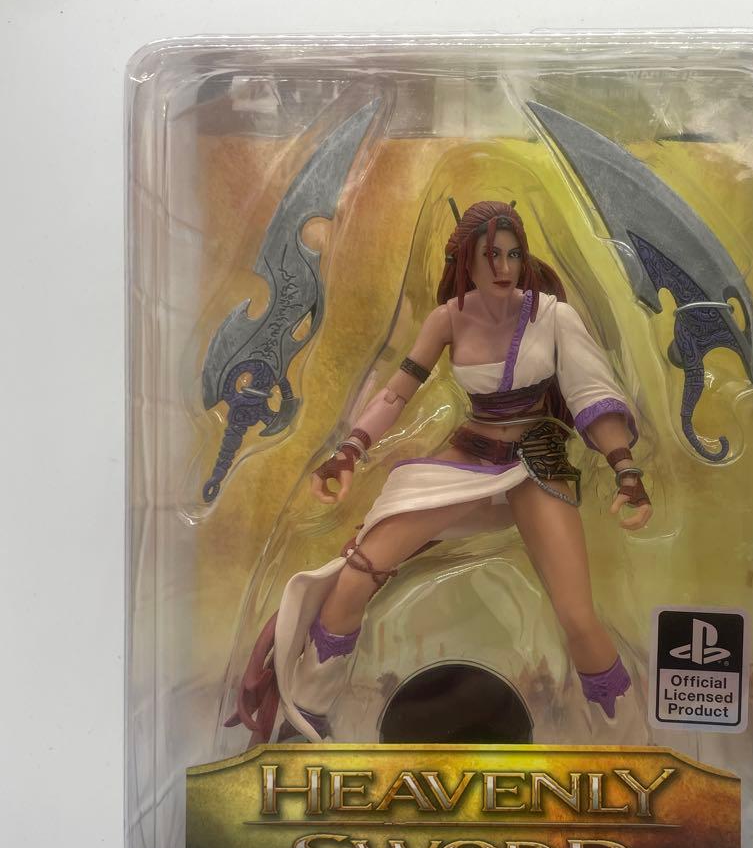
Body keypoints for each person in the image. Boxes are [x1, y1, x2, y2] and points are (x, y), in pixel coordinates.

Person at [227, 200, 653, 745]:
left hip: (536, 463)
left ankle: (627, 743)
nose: (503, 267)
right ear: (465, 261)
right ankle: (306, 716)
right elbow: (395, 392)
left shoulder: (551, 316)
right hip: (469, 458)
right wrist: (350, 450)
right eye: (490, 256)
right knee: (357, 573)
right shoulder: (448, 318)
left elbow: (590, 391)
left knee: (577, 617)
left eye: (512, 255)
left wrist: (625, 469)